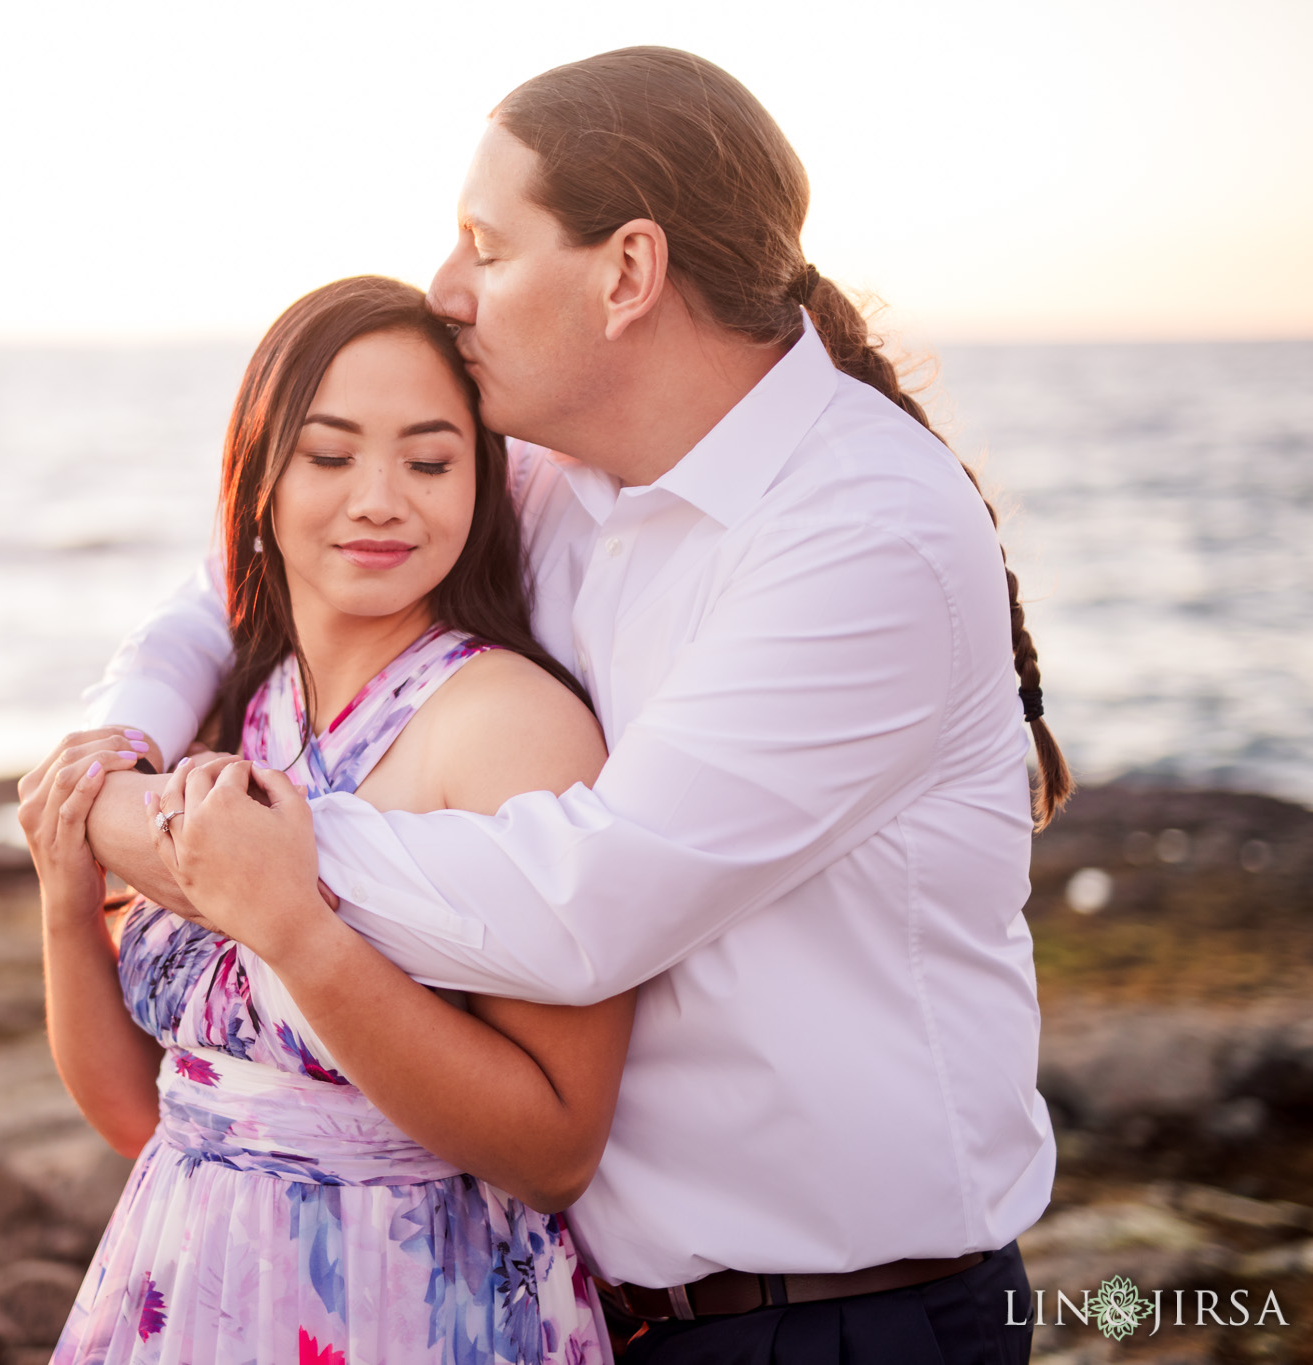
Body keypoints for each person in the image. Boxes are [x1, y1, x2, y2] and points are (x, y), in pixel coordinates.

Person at [69, 47, 1073, 1365]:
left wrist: (207, 844)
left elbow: (579, 908)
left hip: (839, 1320)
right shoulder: (556, 471)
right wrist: (127, 738)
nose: (445, 288)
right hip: (599, 1309)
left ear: (629, 274)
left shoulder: (863, 533)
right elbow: (244, 565)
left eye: (486, 244)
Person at [19, 275, 630, 1363]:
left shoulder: (506, 726)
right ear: (257, 477)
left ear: (482, 485)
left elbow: (554, 1151)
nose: (380, 499)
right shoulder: (231, 712)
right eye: (330, 455)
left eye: (429, 461)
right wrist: (65, 895)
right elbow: (140, 1115)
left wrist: (296, 929)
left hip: (412, 1307)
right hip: (185, 1289)